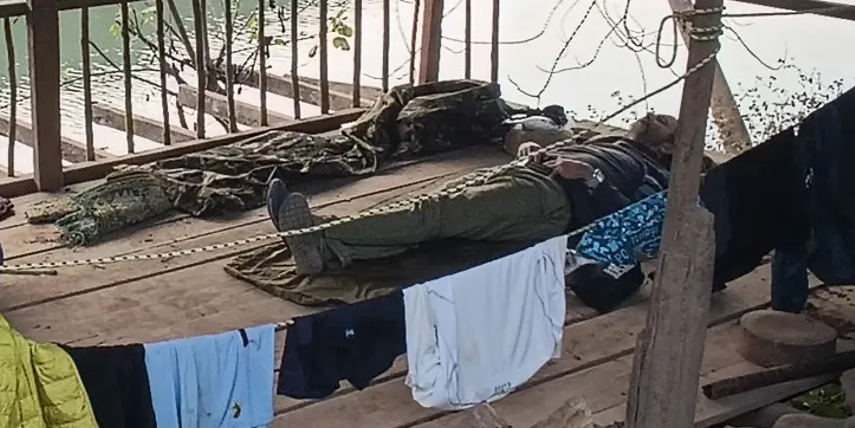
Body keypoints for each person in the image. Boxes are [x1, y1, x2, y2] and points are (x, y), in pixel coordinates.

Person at [267, 113, 678, 274]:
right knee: (426, 208)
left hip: (549, 200)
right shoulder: (609, 141)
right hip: (530, 175)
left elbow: (630, 220)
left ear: (668, 148)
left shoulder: (652, 173)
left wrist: (590, 175)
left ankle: (317, 233)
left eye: (662, 120)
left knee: (434, 213)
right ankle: (329, 249)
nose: (650, 115)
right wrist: (535, 150)